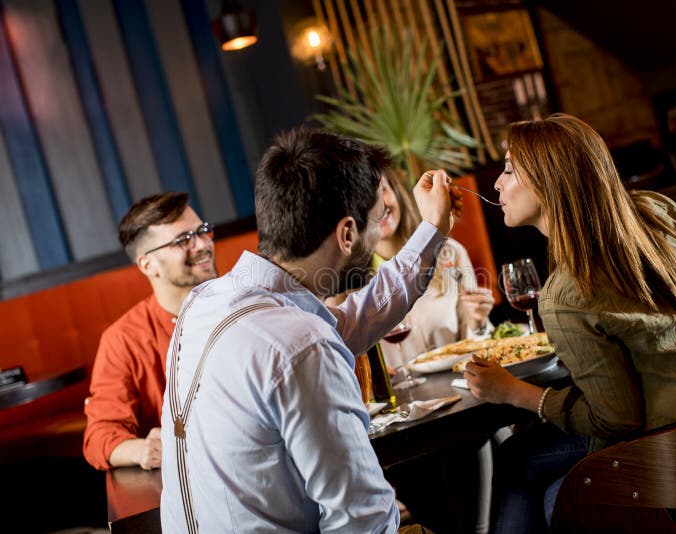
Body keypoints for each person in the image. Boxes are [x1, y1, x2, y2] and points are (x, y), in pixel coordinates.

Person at [159, 127, 458, 532]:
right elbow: (362, 521)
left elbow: (352, 322)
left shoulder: (205, 302)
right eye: (377, 220)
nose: (378, 232)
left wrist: (432, 230)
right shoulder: (301, 344)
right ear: (348, 233)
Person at [464, 113, 676, 533]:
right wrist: (673, 332)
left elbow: (616, 421)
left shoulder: (565, 294)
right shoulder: (655, 210)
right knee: (520, 459)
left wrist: (515, 393)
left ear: (548, 181)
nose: (496, 183)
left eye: (509, 170)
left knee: (554, 497)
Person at [83, 192, 218, 470]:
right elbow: (100, 436)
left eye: (202, 231)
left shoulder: (243, 305)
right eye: (183, 240)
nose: (203, 244)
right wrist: (143, 450)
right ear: (148, 265)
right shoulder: (123, 340)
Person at [373, 173, 495, 370]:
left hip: (458, 380)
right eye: (365, 199)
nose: (377, 205)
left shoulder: (450, 254)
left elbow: (479, 342)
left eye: (382, 191)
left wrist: (478, 321)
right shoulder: (349, 283)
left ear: (396, 192)